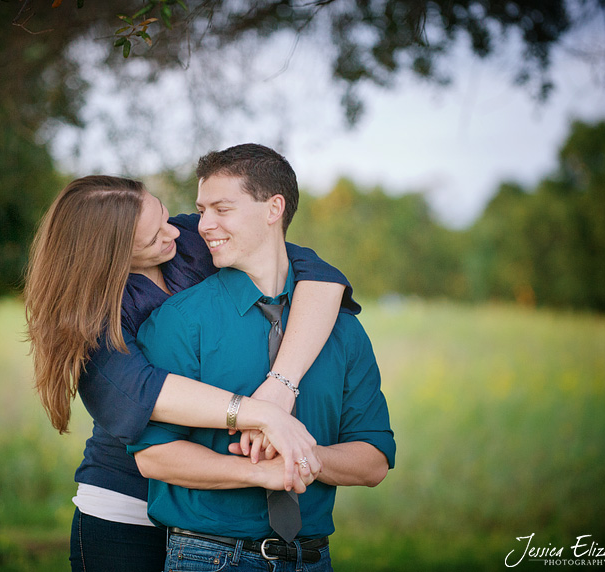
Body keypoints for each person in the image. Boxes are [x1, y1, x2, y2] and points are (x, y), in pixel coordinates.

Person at [23, 175, 361, 572]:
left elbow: (317, 275)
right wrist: (263, 414)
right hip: (129, 514)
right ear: (111, 256)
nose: (174, 232)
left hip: (213, 514)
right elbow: (148, 393)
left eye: (165, 216)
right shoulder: (86, 323)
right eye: (153, 238)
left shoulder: (187, 241)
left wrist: (281, 385)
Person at [128, 144, 396, 571]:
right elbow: (154, 456)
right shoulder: (178, 323)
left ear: (274, 209)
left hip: (313, 557)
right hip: (207, 555)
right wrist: (260, 471)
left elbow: (375, 460)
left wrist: (301, 454)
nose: (203, 225)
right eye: (201, 210)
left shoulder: (342, 327)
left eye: (222, 209)